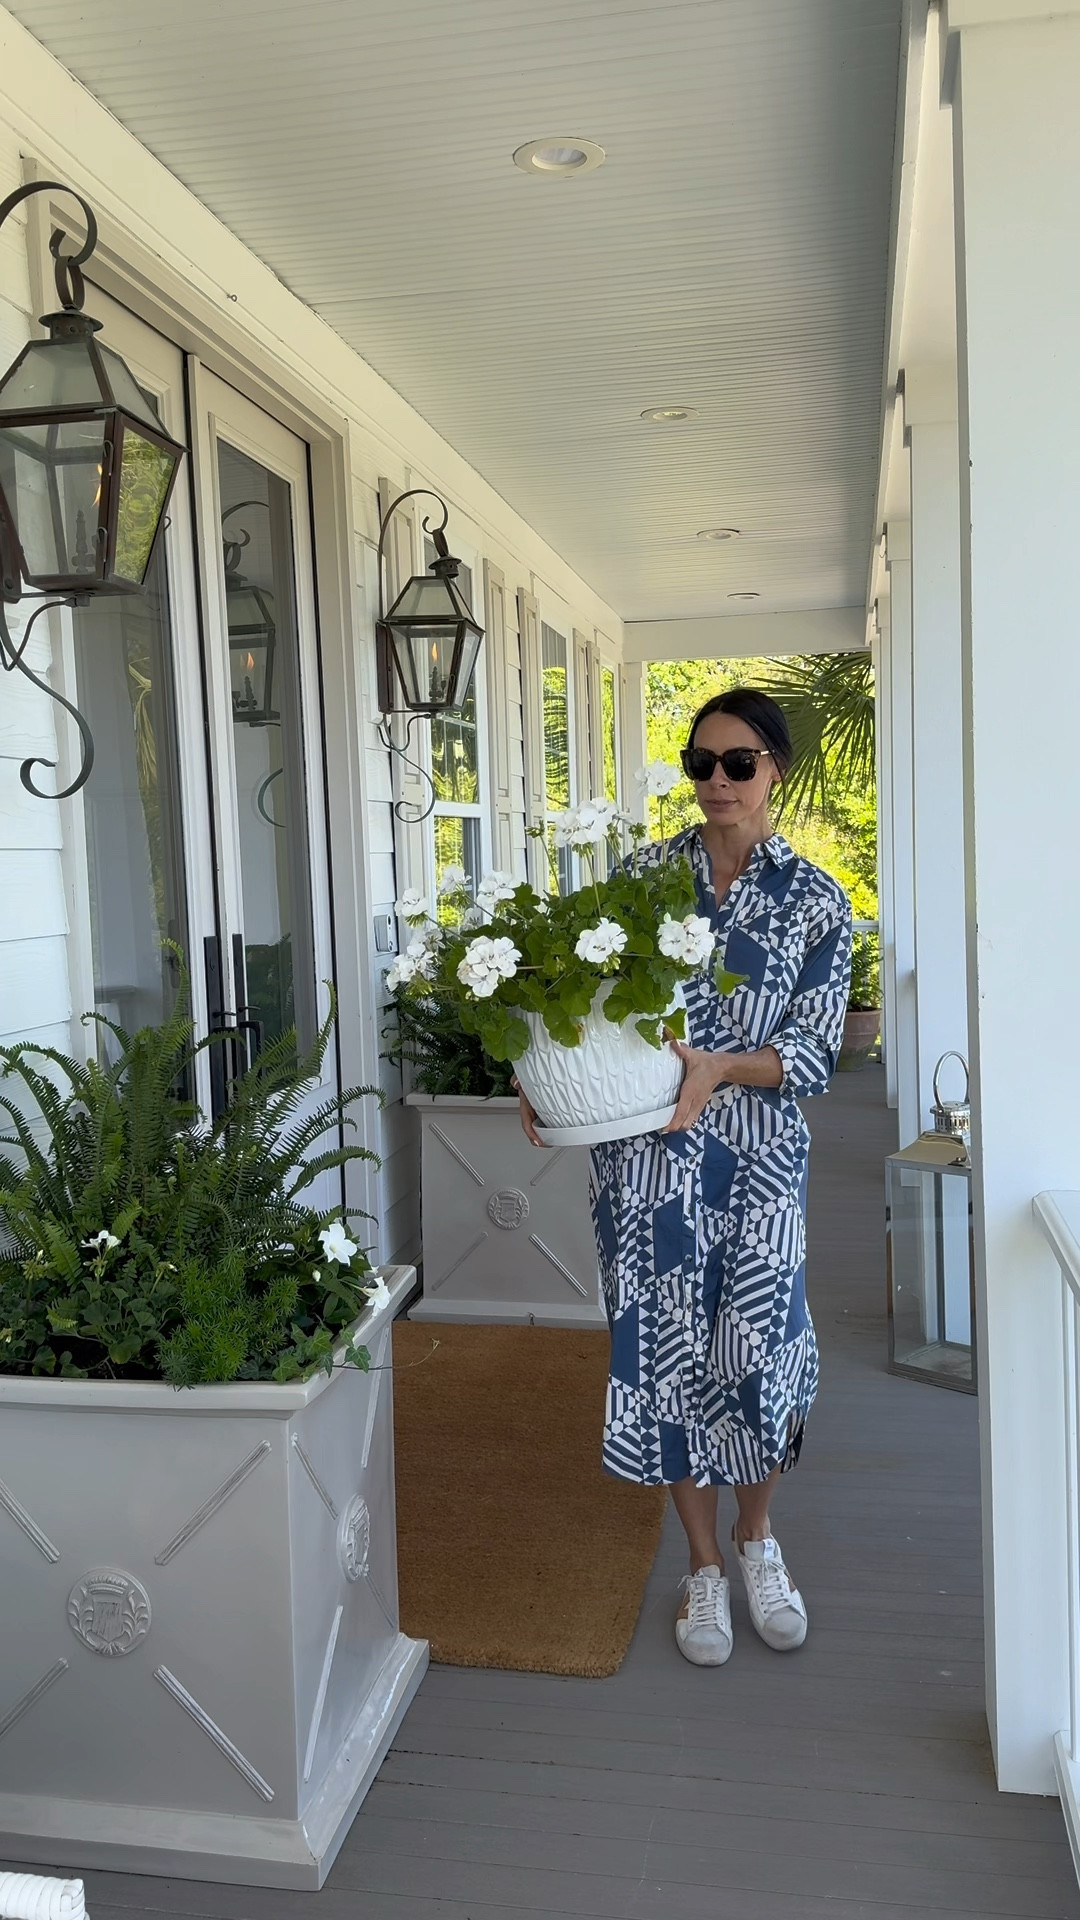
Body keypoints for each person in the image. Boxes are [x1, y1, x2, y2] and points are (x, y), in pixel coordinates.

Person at [517, 688, 852, 1666]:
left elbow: (818, 1053)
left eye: (737, 764)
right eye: (699, 764)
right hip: (647, 1163)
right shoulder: (640, 882)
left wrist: (721, 1067)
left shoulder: (816, 901)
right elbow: (567, 996)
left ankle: (758, 1541)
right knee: (665, 1357)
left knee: (760, 1350)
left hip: (754, 1166)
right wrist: (537, 1077)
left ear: (775, 770)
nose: (715, 782)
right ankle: (701, 1567)